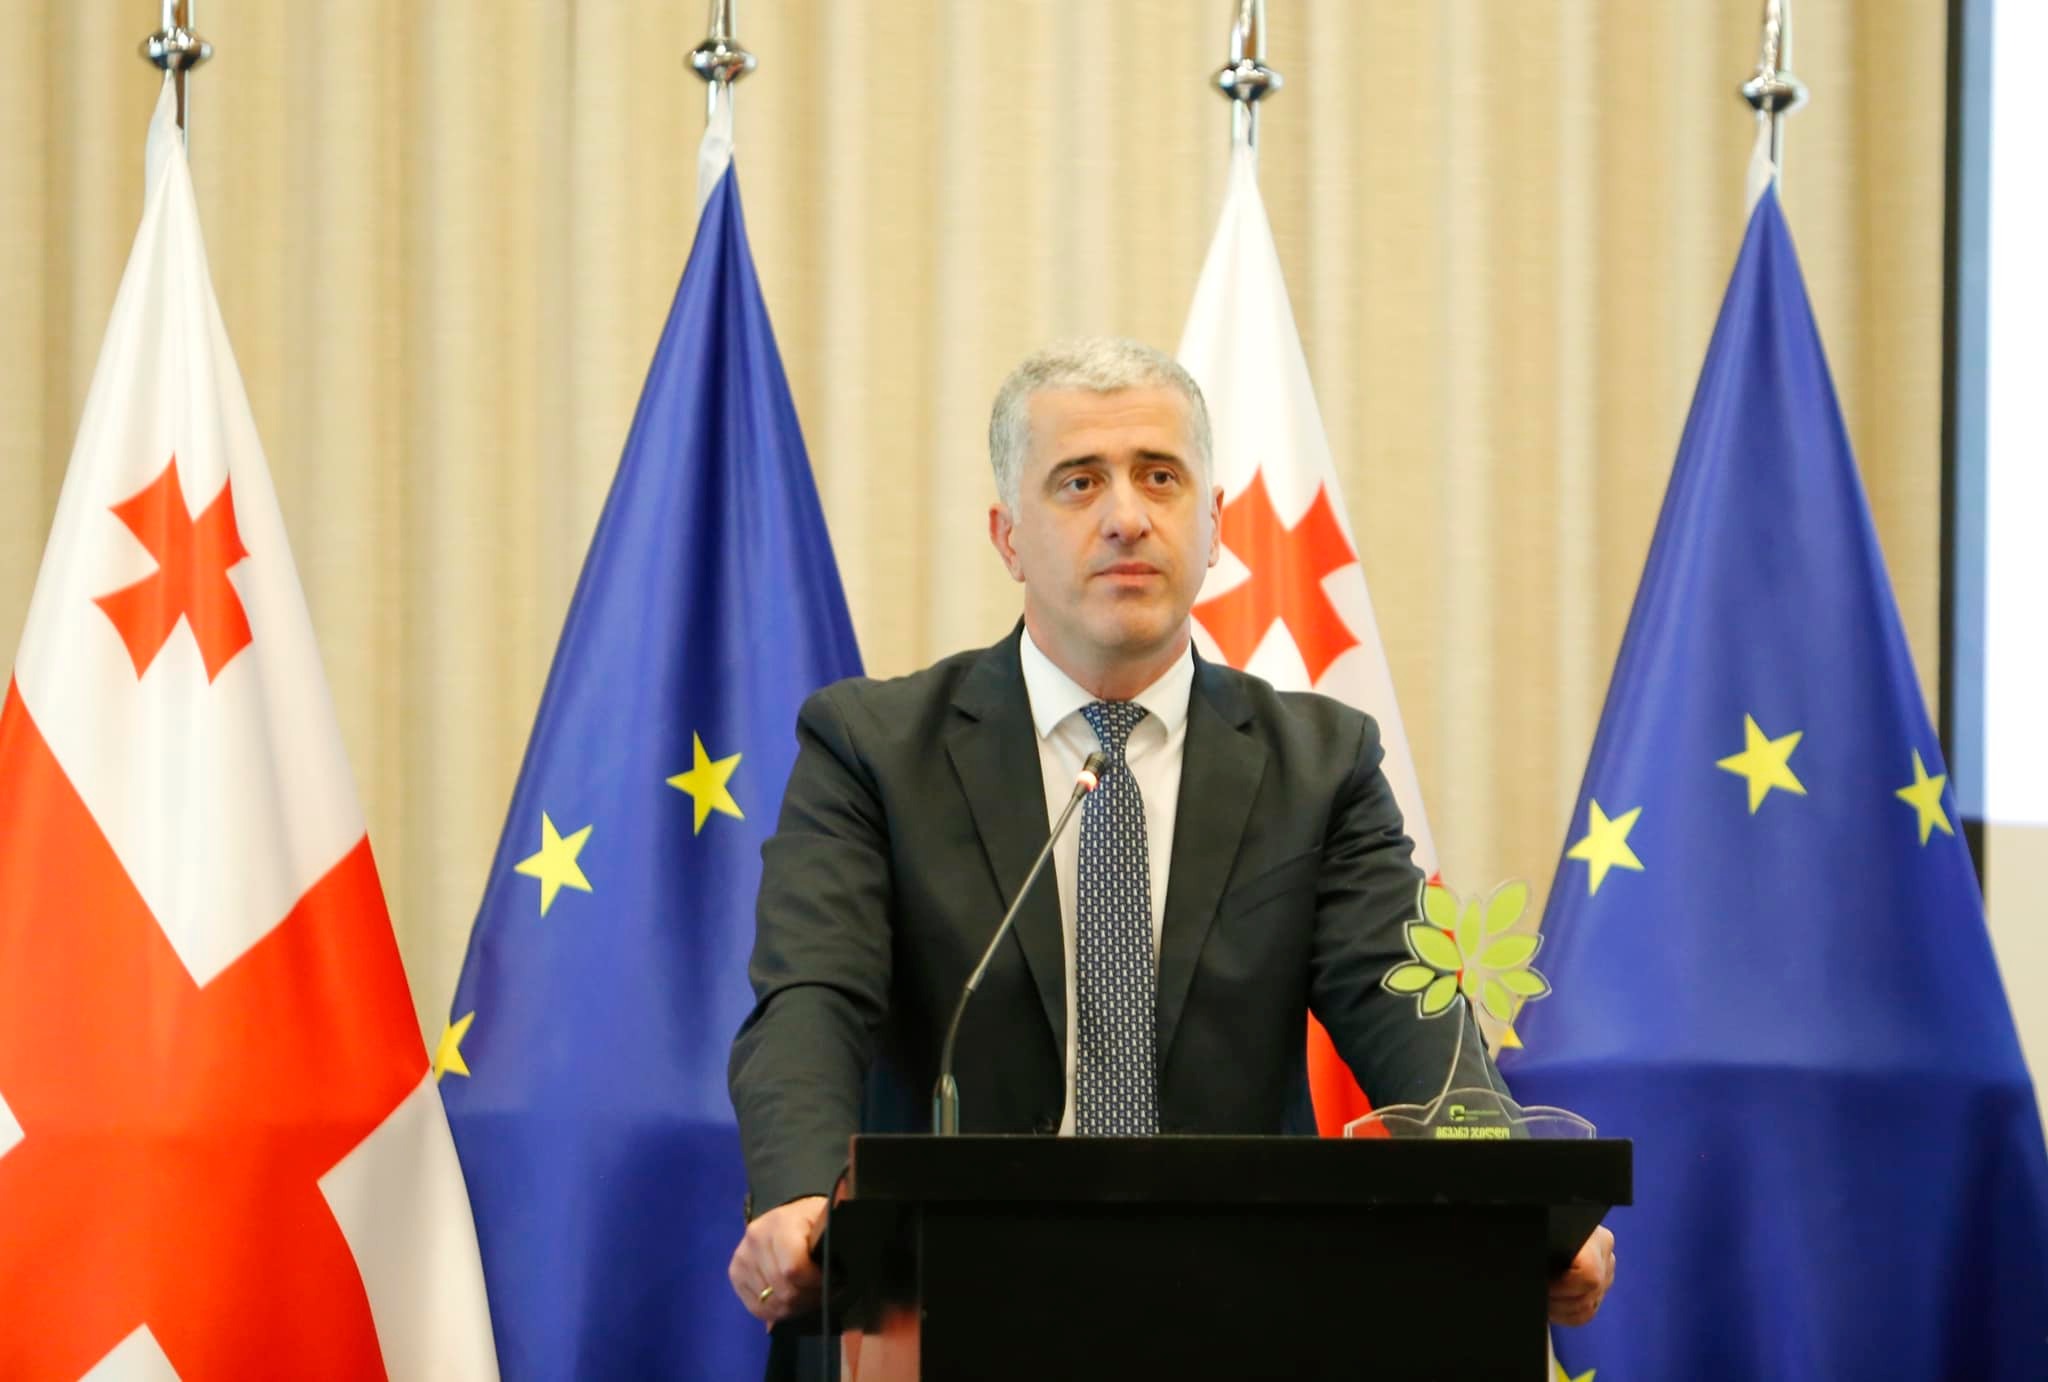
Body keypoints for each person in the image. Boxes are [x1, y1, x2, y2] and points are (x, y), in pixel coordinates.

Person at [725, 338, 1615, 1339]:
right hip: (941, 1300)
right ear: (1008, 537)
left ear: (1213, 523)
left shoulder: (1319, 763)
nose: (1126, 516)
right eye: (1078, 481)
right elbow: (813, 996)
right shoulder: (873, 749)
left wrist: (1511, 1199)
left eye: (1160, 477)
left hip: (1240, 1308)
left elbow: (1403, 1004)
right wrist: (799, 1197)